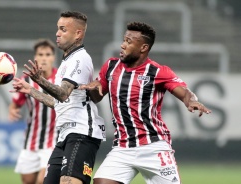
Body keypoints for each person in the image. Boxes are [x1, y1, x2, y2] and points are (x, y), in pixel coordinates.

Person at [79, 22, 212, 184]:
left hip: (154, 146)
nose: (122, 45)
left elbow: (184, 92)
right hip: (123, 146)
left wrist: (191, 101)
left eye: (129, 41)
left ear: (143, 48)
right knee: (101, 182)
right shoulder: (111, 67)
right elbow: (97, 97)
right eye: (124, 40)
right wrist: (94, 87)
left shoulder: (158, 72)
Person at [10, 11, 105, 184]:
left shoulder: (80, 59)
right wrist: (31, 90)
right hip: (65, 135)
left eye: (63, 29)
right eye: (57, 28)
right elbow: (57, 103)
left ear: (78, 33)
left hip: (82, 133)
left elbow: (63, 94)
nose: (57, 33)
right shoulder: (67, 62)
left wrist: (40, 80)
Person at [8, 39, 58, 184]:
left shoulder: (61, 79)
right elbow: (15, 103)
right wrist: (12, 111)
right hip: (31, 141)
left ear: (53, 57)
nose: (44, 58)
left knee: (42, 181)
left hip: (54, 141)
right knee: (27, 181)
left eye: (48, 54)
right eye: (40, 54)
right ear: (35, 57)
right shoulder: (26, 81)